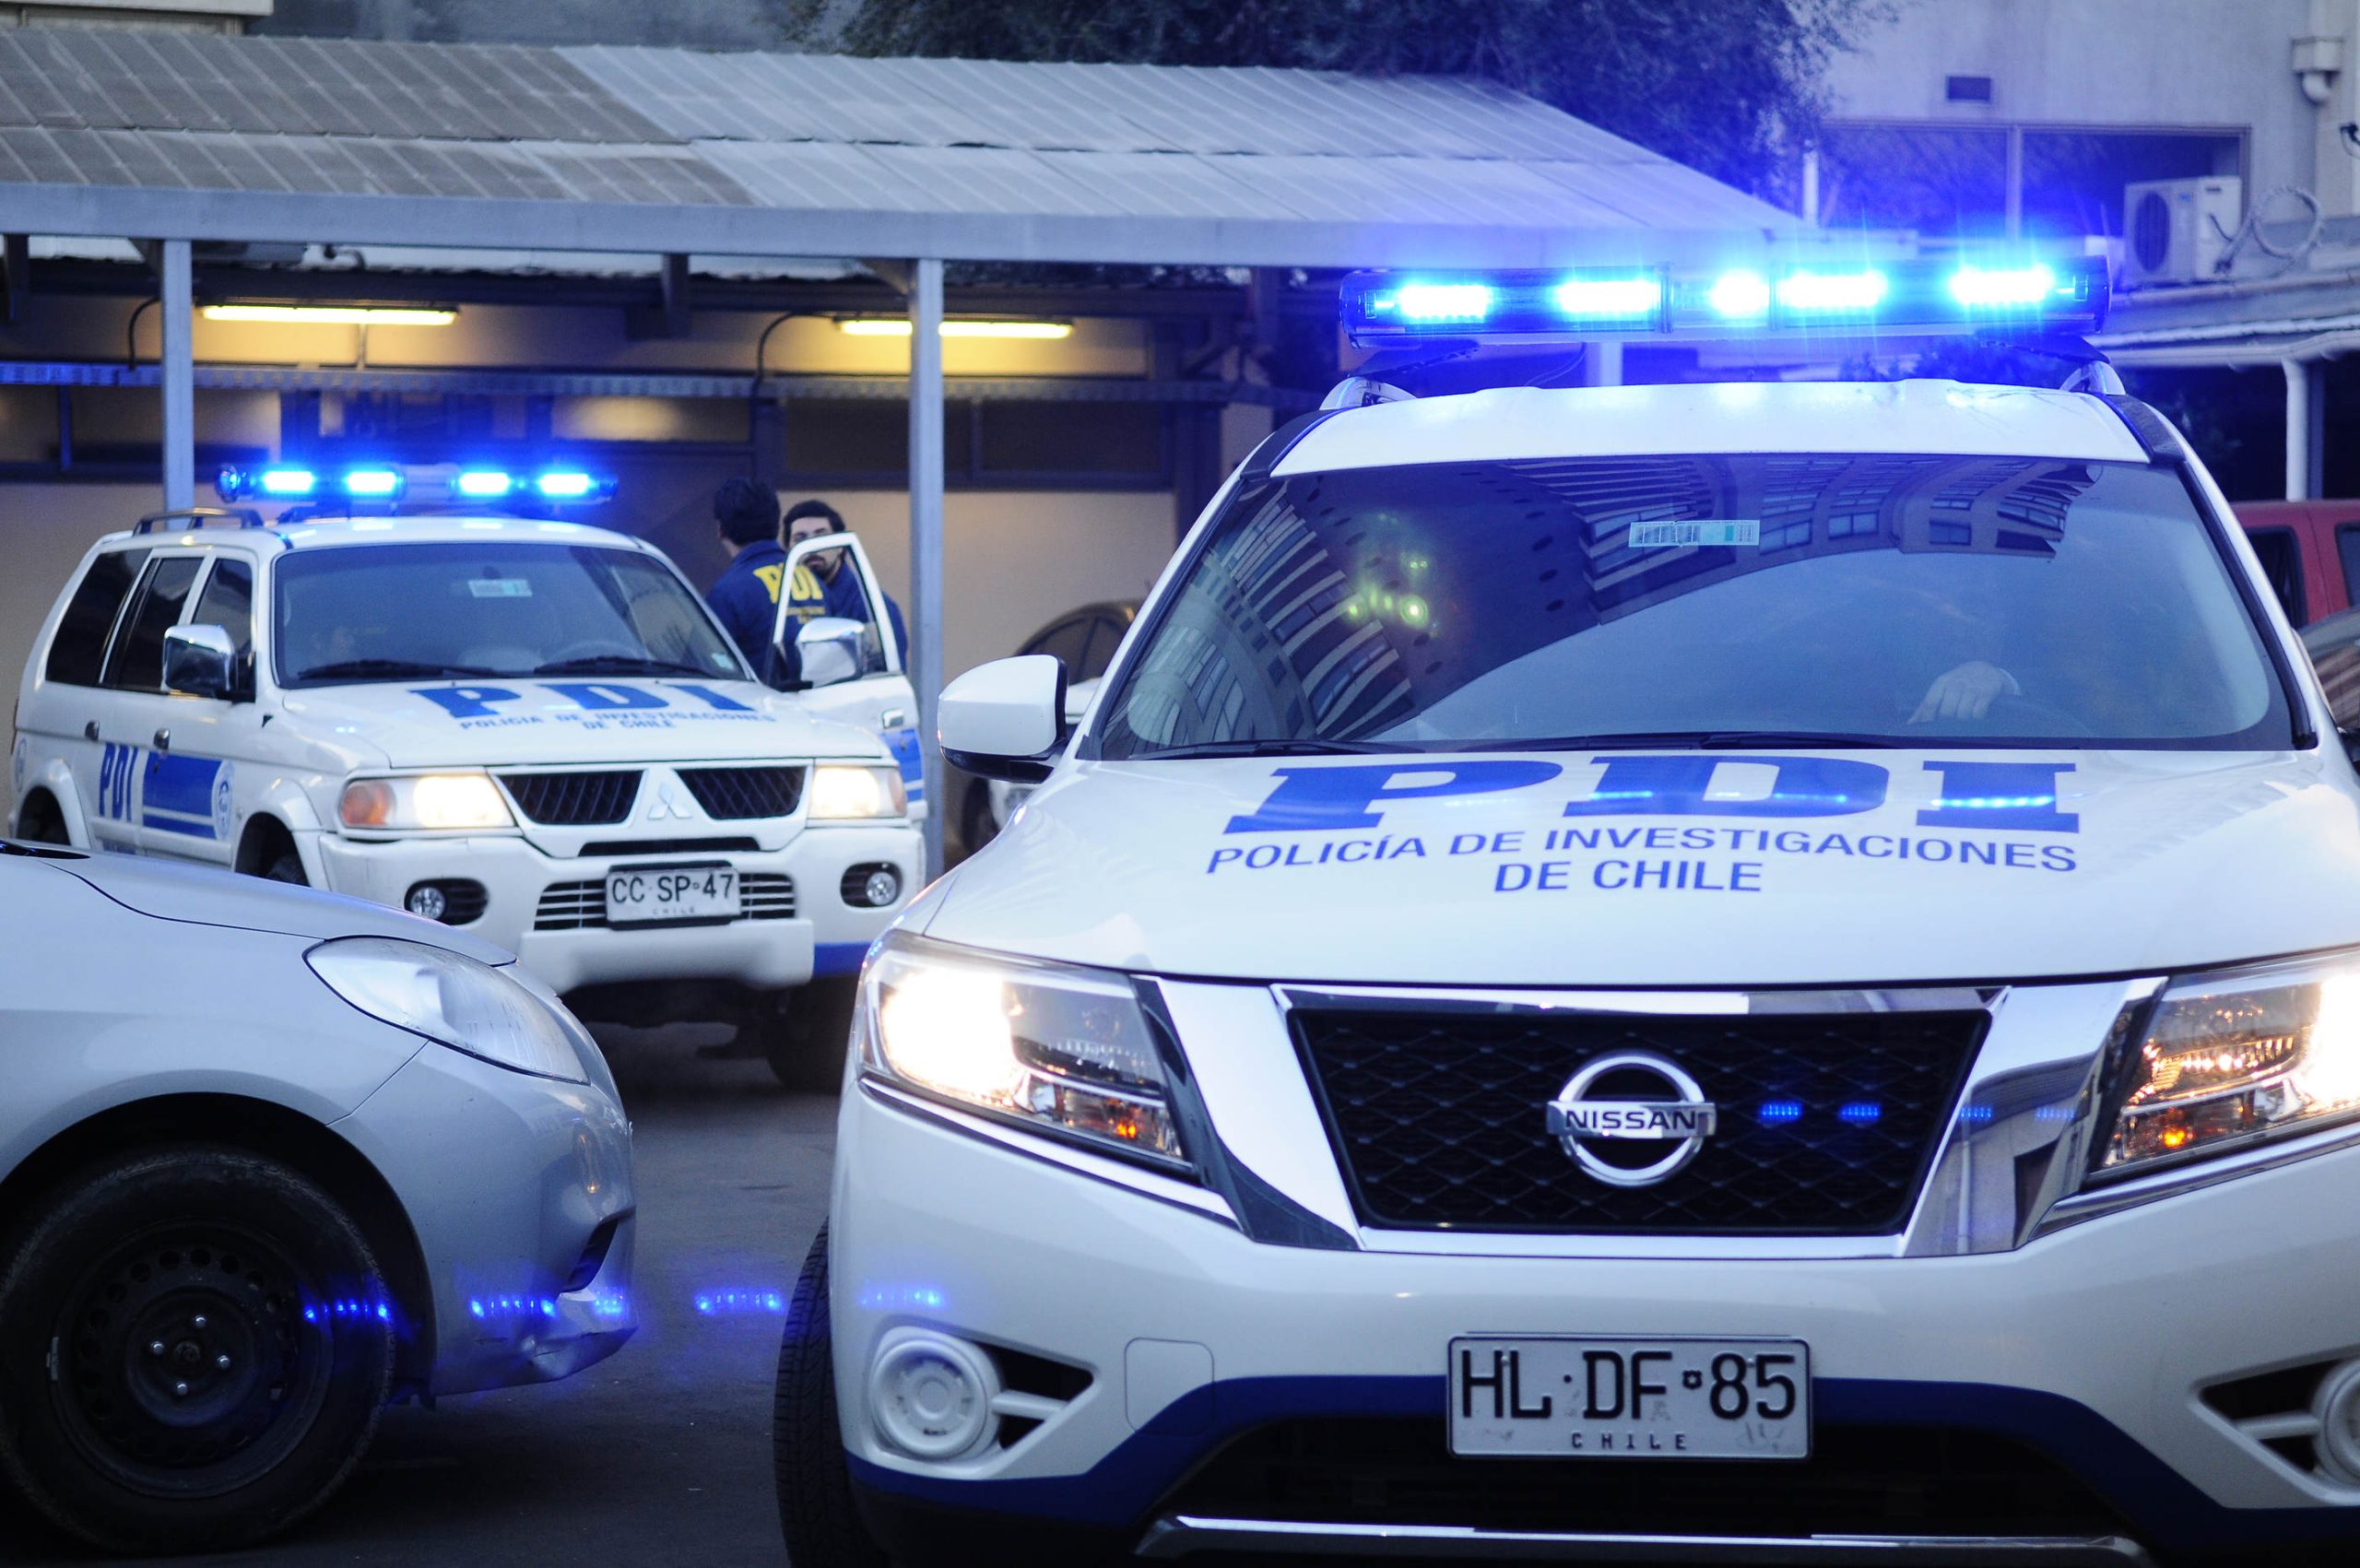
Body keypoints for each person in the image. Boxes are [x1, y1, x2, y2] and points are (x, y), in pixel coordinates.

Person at [782, 498, 912, 667]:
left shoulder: (871, 607)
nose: (812, 546)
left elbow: (886, 671)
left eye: (821, 536)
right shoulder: (782, 603)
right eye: (800, 539)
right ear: (787, 550)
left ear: (840, 546)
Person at [704, 477, 788, 678]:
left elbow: (706, 664)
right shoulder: (813, 581)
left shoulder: (728, 593)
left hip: (762, 696)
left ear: (720, 529)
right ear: (776, 522)